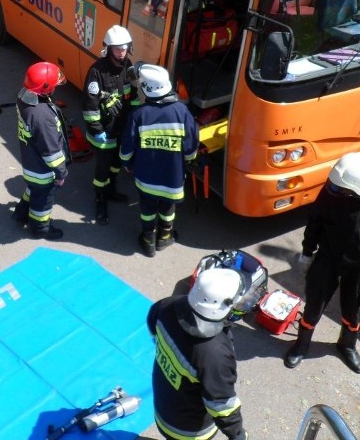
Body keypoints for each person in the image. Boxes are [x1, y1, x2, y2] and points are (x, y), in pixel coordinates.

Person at [284, 152, 360, 374]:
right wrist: (307, 252)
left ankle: (347, 345)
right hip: (328, 258)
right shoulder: (334, 190)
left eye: (343, 190)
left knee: (352, 309)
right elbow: (316, 221)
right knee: (314, 304)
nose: (335, 190)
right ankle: (301, 344)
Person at [147, 267, 249, 440]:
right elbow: (222, 405)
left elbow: (153, 329)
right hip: (190, 431)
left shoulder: (167, 305)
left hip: (163, 408)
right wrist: (238, 435)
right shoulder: (214, 355)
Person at [120, 64, 199, 256]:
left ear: (146, 88)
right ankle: (164, 238)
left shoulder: (139, 114)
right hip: (172, 178)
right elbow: (191, 144)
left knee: (147, 208)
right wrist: (188, 161)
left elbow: (127, 147)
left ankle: (148, 241)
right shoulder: (182, 112)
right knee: (167, 207)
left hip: (146, 178)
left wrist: (127, 164)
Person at [83, 25, 137, 225]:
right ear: (108, 49)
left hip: (121, 128)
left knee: (116, 164)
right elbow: (90, 105)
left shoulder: (127, 66)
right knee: (102, 169)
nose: (121, 52)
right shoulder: (97, 71)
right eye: (117, 49)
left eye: (124, 48)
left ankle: (111, 190)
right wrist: (97, 131)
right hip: (104, 131)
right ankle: (100, 200)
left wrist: (135, 117)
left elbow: (131, 95)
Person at [12, 62, 70, 241]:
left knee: (33, 190)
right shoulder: (42, 116)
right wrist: (61, 173)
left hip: (31, 164)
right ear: (45, 88)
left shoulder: (25, 100)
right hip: (43, 172)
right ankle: (40, 228)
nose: (55, 88)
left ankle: (21, 214)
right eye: (54, 85)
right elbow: (51, 152)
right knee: (43, 201)